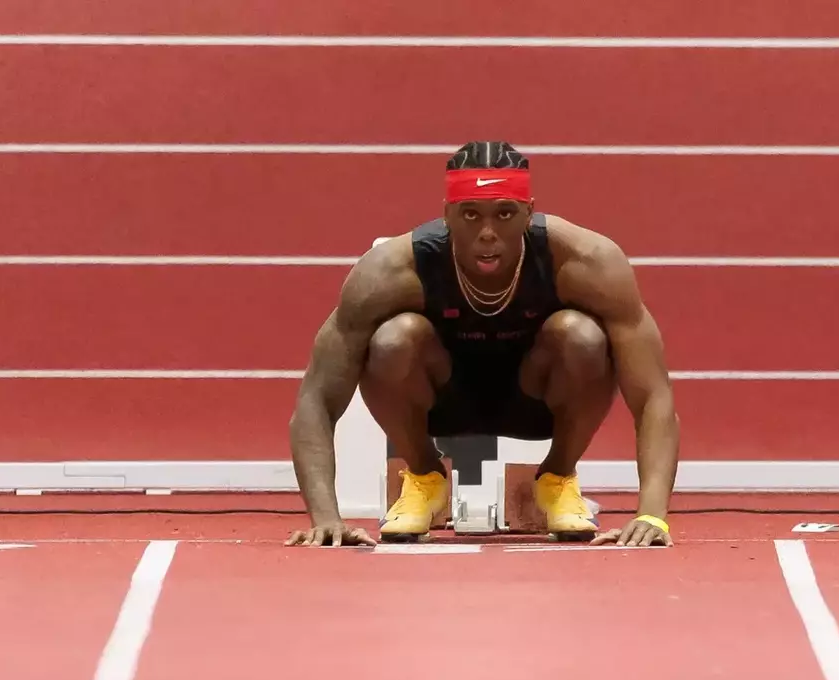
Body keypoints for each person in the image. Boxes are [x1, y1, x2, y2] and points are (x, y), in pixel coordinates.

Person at [285, 141, 680, 547]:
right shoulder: (391, 271)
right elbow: (316, 398)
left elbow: (653, 393)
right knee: (393, 338)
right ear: (447, 215)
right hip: (440, 404)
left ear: (529, 213)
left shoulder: (586, 261)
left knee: (581, 335)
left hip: (538, 403)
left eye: (504, 214)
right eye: (470, 215)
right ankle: (424, 476)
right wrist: (325, 518)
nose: (488, 233)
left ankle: (557, 477)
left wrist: (652, 515)